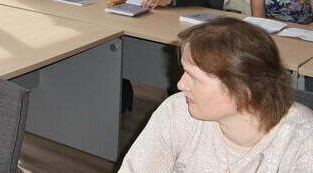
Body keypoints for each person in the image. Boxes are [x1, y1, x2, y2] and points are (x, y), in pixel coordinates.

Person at [120, 17, 313, 171]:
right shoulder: (176, 111)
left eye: (194, 78)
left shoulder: (301, 141)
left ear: (243, 92)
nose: (180, 84)